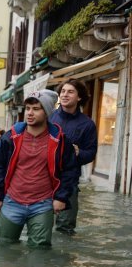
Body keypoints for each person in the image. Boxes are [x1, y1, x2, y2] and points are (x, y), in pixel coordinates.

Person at [0, 90, 80, 249]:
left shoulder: (60, 140)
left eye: (36, 109)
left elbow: (70, 171)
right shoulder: (12, 136)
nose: (29, 113)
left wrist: (61, 198)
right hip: (12, 201)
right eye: (28, 108)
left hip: (43, 204)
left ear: (47, 112)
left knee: (40, 251)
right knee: (4, 248)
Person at [50, 78, 98, 235]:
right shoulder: (48, 118)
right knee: (39, 226)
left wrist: (79, 153)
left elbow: (91, 153)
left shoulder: (87, 124)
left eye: (70, 92)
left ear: (79, 97)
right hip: (43, 181)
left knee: (65, 230)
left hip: (69, 184)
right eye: (62, 91)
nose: (64, 95)